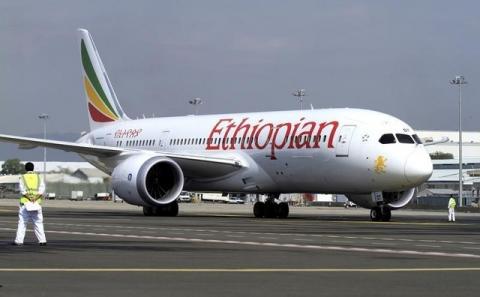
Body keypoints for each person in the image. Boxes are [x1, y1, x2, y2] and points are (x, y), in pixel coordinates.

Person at [12, 162, 47, 246]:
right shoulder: (39, 177)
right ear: (33, 168)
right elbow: (42, 189)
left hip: (25, 202)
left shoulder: (23, 177)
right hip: (36, 203)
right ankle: (42, 240)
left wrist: (29, 197)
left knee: (22, 222)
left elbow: (22, 190)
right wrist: (35, 197)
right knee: (38, 222)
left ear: (26, 168)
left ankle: (19, 241)